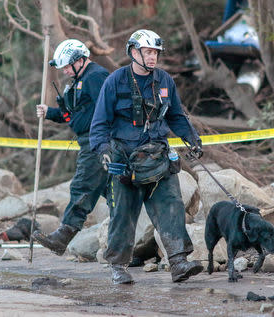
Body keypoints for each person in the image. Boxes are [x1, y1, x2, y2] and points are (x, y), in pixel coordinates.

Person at [89, 29, 204, 284]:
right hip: (124, 161)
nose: (153, 57)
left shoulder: (165, 81)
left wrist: (192, 138)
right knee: (123, 215)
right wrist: (102, 151)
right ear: (133, 52)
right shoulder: (115, 81)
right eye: (148, 52)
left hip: (159, 157)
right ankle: (118, 266)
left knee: (172, 206)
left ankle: (178, 262)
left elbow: (175, 115)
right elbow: (99, 122)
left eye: (155, 53)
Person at [32, 39, 109, 256]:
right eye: (63, 67)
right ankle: (130, 242)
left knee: (83, 185)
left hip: (97, 141)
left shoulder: (95, 77)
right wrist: (50, 112)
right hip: (90, 139)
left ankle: (63, 236)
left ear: (80, 60)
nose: (65, 70)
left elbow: (107, 109)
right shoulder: (79, 80)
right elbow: (75, 116)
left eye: (67, 66)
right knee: (112, 192)